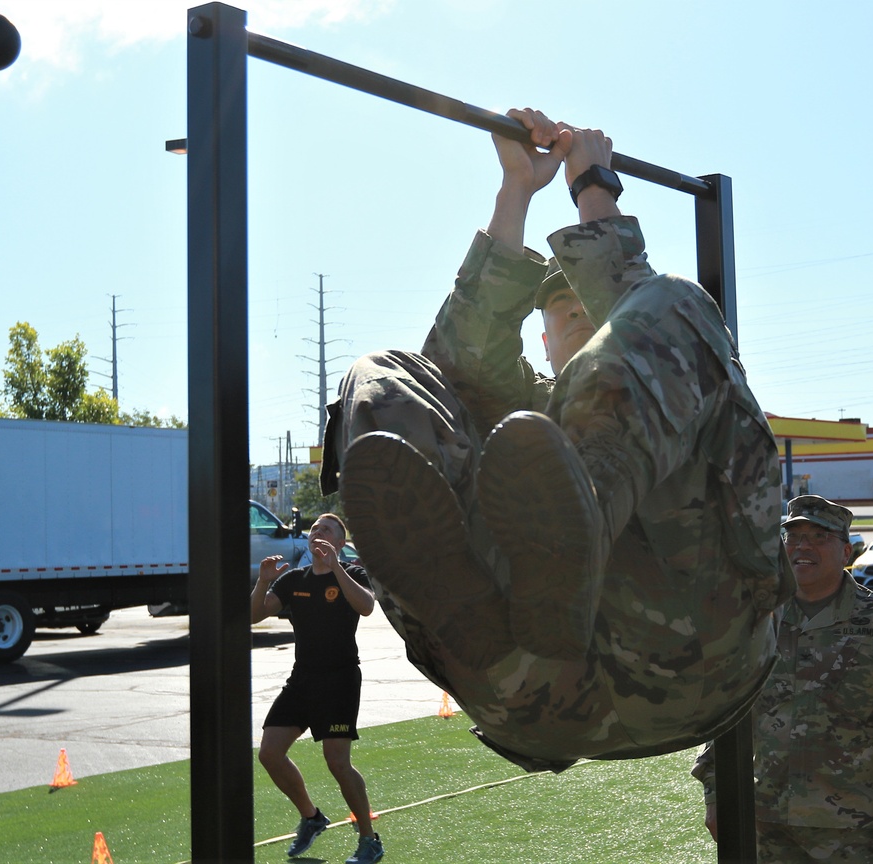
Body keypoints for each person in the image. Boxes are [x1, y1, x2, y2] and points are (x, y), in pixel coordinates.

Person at [321, 108, 792, 772]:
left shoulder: (670, 368)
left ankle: (584, 520)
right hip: (521, 683)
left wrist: (593, 189)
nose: (584, 319)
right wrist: (516, 189)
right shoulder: (528, 443)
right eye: (565, 312)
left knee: (675, 303)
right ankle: (470, 603)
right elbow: (458, 368)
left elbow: (643, 308)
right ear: (543, 338)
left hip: (694, 657)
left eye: (592, 303)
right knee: (384, 375)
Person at [692, 494, 873, 862]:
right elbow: (724, 714)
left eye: (820, 537)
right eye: (793, 537)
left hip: (854, 829)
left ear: (846, 553)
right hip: (765, 822)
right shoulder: (755, 620)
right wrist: (716, 794)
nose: (803, 546)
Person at [251, 512, 384, 864]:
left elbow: (367, 607)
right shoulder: (294, 578)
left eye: (327, 530)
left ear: (341, 542)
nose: (318, 534)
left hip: (340, 679)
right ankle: (312, 817)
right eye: (314, 530)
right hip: (302, 680)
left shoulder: (352, 574)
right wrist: (263, 581)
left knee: (337, 762)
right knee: (269, 753)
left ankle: (369, 839)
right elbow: (254, 615)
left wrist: (336, 567)